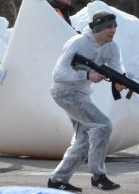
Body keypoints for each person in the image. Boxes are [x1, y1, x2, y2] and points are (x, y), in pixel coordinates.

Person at [47, 10, 125, 192]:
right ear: (98, 28)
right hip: (65, 93)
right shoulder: (78, 43)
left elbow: (116, 69)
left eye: (115, 26)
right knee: (103, 125)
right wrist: (87, 74)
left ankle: (58, 180)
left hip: (81, 94)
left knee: (83, 139)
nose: (113, 30)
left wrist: (119, 82)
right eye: (109, 27)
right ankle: (98, 176)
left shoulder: (111, 47)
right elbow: (58, 74)